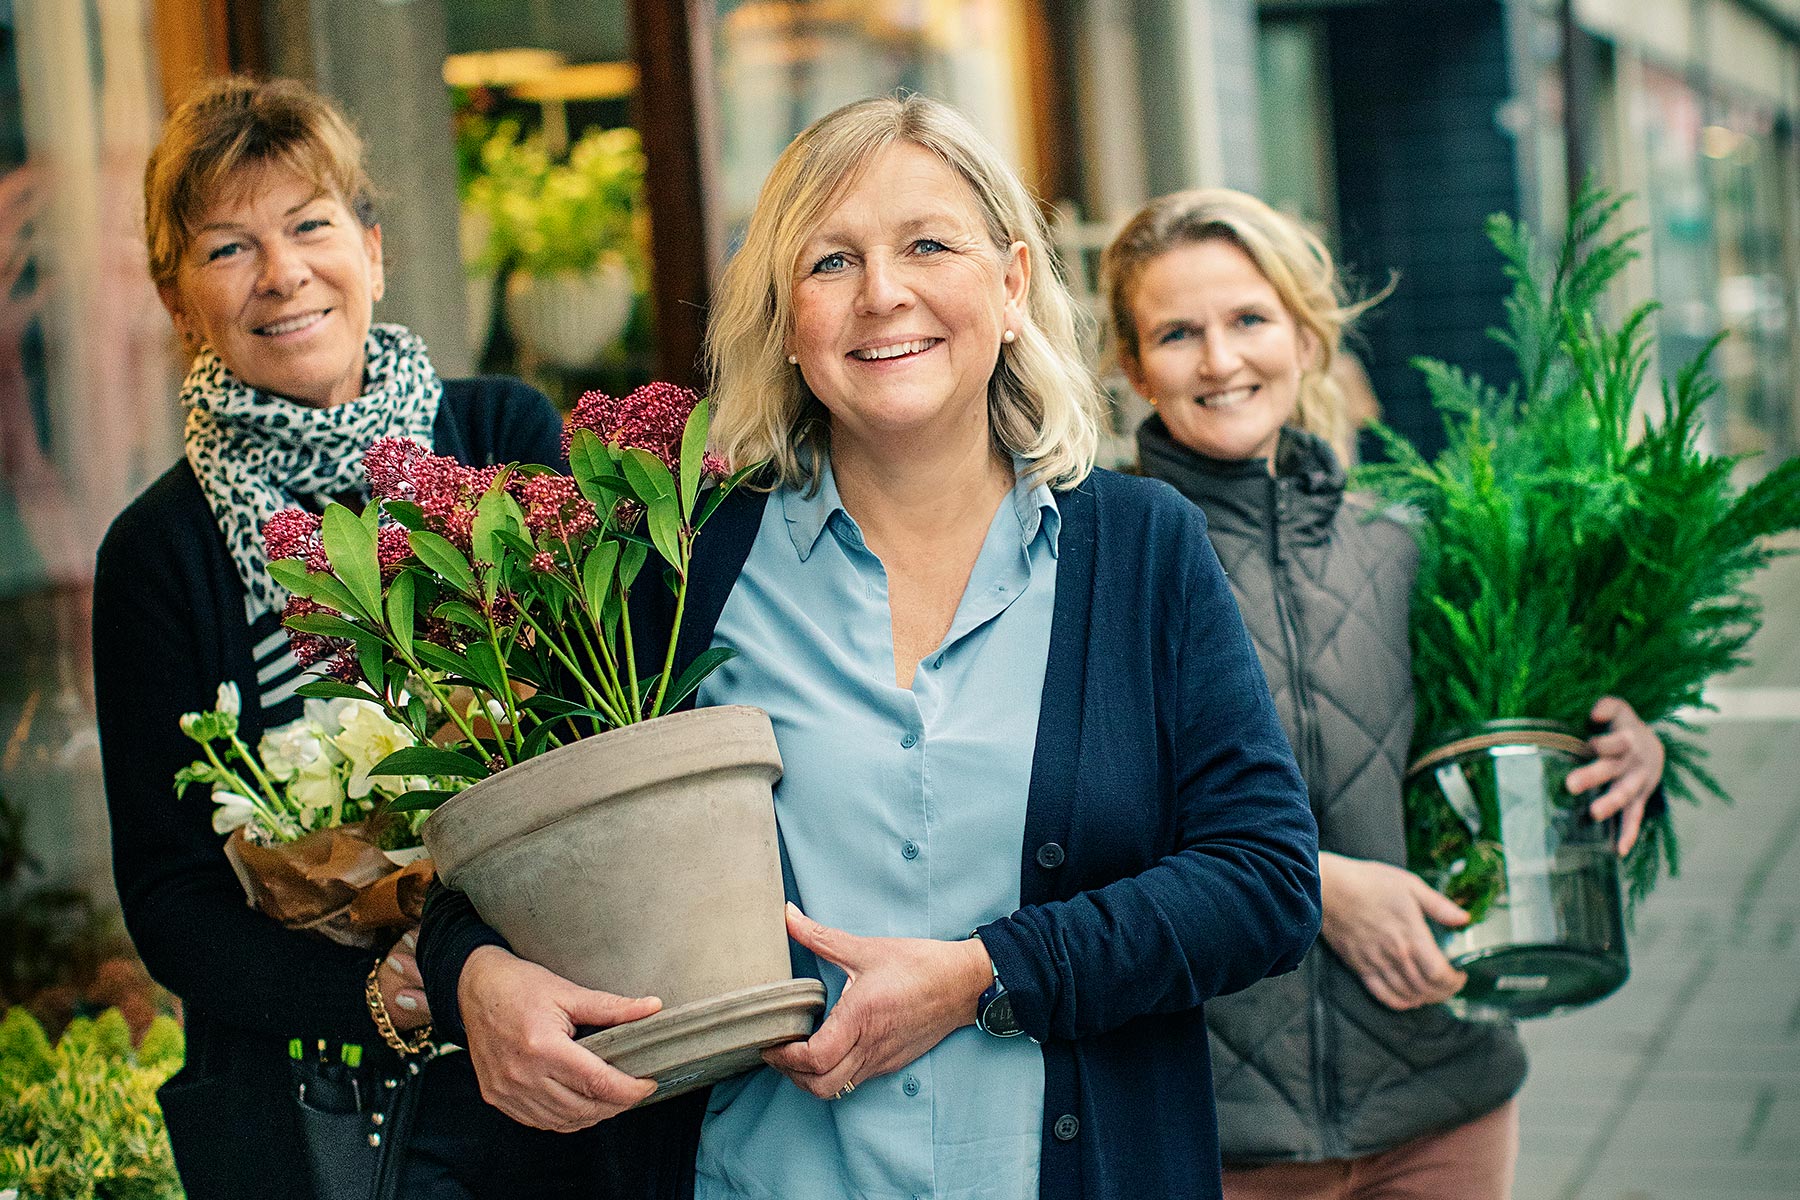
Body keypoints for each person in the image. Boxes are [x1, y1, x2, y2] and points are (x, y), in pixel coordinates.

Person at [419, 95, 1322, 1200]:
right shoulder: (679, 565)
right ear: (788, 320)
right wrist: (476, 976)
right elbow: (509, 862)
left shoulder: (1138, 552)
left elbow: (1266, 881)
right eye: (831, 260)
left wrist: (987, 975)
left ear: (1011, 280)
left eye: (928, 245)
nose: (882, 294)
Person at [1099, 188, 1667, 1199]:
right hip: (1218, 1123)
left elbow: (1499, 753)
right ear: (1135, 366)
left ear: (1308, 338)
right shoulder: (1105, 558)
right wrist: (1315, 889)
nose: (1221, 360)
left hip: (1442, 1100)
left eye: (1249, 320)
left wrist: (1628, 749)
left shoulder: (1405, 542)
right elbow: (1079, 822)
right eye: (1178, 333)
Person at [92, 77, 576, 1200]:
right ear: (178, 300)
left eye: (311, 225)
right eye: (227, 247)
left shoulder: (500, 435)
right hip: (327, 1113)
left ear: (372, 246)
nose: (281, 274)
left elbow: (589, 730)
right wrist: (380, 993)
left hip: (562, 1048)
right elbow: (169, 897)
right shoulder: (158, 552)